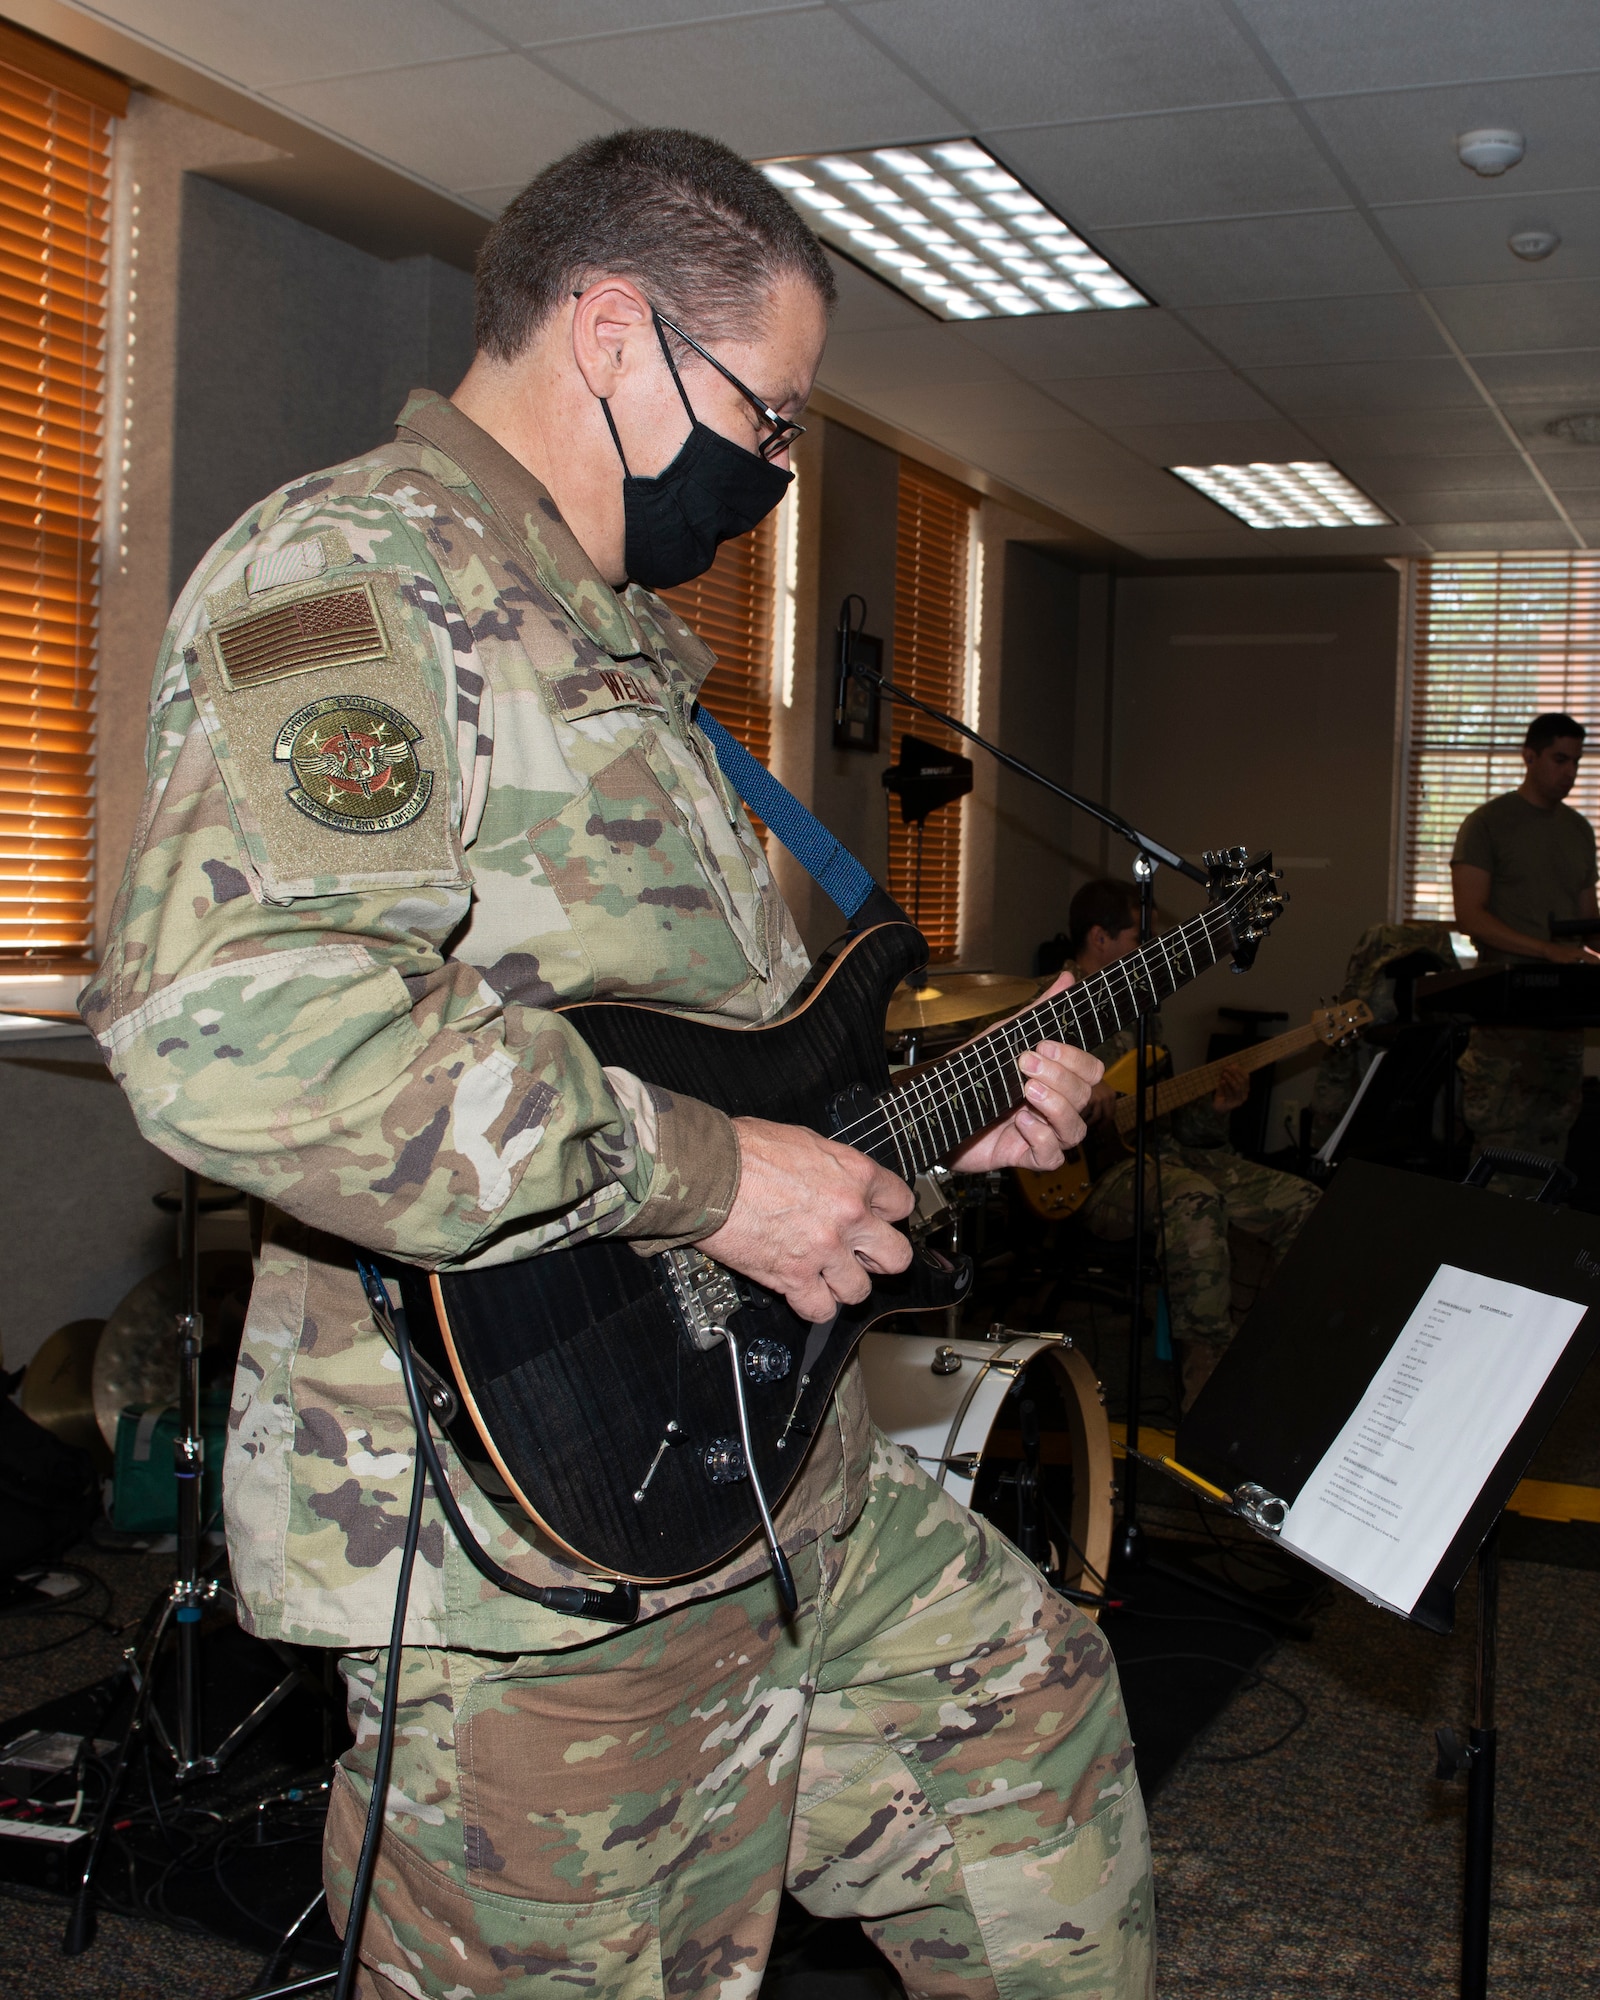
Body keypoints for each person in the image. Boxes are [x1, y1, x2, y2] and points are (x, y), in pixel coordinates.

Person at [83, 131, 1153, 1998]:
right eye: (773, 409)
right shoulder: (351, 578)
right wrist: (724, 1181)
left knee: (1032, 1717)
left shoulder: (637, 653)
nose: (780, 460)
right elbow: (244, 1036)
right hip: (525, 1528)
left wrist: (927, 1126)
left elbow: (721, 1056)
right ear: (609, 331)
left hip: (765, 1448)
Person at [1061, 879, 1320, 1409]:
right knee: (1193, 1199)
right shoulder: (1053, 1002)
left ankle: (1263, 1348)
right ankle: (1207, 1391)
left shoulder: (1140, 1006)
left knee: (1305, 1203)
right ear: (1100, 938)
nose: (1148, 949)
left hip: (1161, 1156)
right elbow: (1013, 1096)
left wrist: (1215, 1111)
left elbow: (1170, 1119)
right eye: (1139, 936)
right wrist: (1082, 1088)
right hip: (1091, 1177)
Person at [1451, 712, 1599, 1167]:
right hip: (1506, 1012)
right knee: (1499, 1145)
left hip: (1563, 1012)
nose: (1569, 772)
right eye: (1559, 759)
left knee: (1553, 1144)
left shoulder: (1579, 830)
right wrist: (1547, 950)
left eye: (1576, 761)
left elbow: (1585, 914)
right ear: (1529, 756)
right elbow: (1470, 915)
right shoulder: (1488, 824)